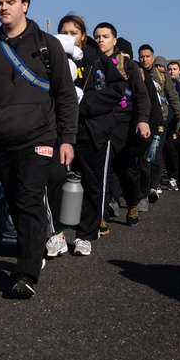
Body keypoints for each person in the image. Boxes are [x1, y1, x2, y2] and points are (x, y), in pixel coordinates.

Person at [0, 0, 78, 298]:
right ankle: (35, 246)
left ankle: (25, 272)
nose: (3, 7)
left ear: (25, 5)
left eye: (10, 2)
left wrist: (67, 137)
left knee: (29, 198)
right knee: (16, 200)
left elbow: (65, 95)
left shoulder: (46, 45)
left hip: (39, 138)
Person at [45, 14, 125, 258]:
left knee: (92, 183)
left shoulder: (97, 59)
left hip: (93, 130)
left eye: (73, 33)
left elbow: (117, 89)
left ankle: (85, 235)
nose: (68, 37)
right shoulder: (48, 58)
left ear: (83, 37)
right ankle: (56, 234)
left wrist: (84, 102)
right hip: (58, 130)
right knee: (55, 179)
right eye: (64, 32)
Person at [92, 25, 150, 229]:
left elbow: (141, 95)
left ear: (114, 40)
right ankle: (99, 215)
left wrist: (142, 119)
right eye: (97, 36)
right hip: (97, 121)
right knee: (99, 170)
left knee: (127, 169)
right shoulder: (91, 62)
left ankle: (132, 204)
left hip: (123, 123)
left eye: (105, 36)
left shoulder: (128, 65)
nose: (101, 40)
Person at [137, 47, 180, 202]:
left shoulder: (163, 77)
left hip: (159, 120)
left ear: (153, 57)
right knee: (141, 155)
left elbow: (173, 96)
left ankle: (153, 186)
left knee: (156, 154)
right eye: (142, 56)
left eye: (147, 56)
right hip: (140, 120)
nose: (144, 59)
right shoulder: (135, 73)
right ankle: (142, 185)